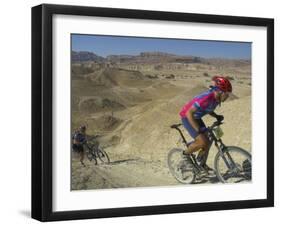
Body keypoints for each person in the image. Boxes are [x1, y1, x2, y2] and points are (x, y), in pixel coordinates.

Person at [179, 76, 232, 172]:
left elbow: (208, 109)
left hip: (196, 117)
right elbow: (189, 113)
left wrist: (216, 116)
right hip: (187, 117)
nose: (227, 96)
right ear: (220, 91)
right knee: (203, 141)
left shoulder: (217, 99)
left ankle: (202, 163)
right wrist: (197, 129)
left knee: (209, 139)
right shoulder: (207, 97)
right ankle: (185, 155)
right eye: (226, 94)